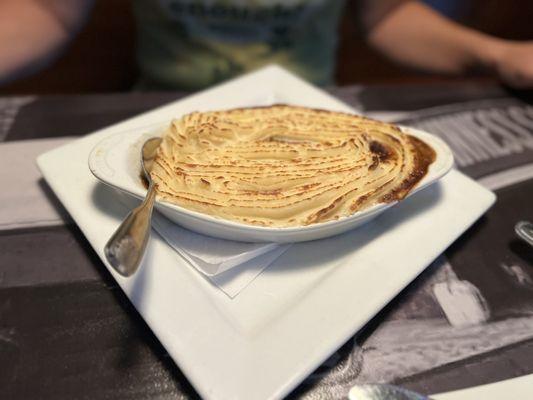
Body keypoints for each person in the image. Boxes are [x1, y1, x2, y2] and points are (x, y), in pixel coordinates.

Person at [1, 0, 533, 90]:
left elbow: (388, 15)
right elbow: (48, 10)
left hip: (311, 114)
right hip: (160, 112)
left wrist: (497, 53)